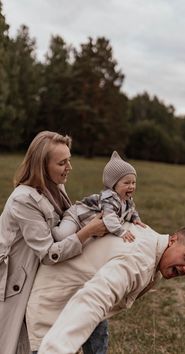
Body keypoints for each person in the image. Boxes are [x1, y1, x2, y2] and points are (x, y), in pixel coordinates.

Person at [26, 222, 185, 354]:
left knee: (99, 330)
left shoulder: (154, 250)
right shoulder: (140, 261)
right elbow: (94, 299)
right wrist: (57, 349)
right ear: (173, 240)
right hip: (53, 306)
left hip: (79, 290)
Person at [0, 131, 107, 354]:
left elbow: (68, 219)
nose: (69, 167)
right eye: (62, 162)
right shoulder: (23, 199)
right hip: (17, 282)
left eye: (69, 160)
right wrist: (87, 232)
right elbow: (48, 253)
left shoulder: (55, 186)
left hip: (45, 273)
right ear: (42, 166)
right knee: (24, 344)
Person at [53, 151, 145, 244]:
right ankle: (51, 229)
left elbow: (130, 211)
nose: (131, 186)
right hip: (76, 218)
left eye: (133, 183)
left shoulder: (127, 201)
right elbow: (109, 218)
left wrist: (135, 218)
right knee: (61, 236)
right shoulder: (109, 199)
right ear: (113, 185)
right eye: (127, 183)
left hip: (87, 225)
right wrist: (122, 232)